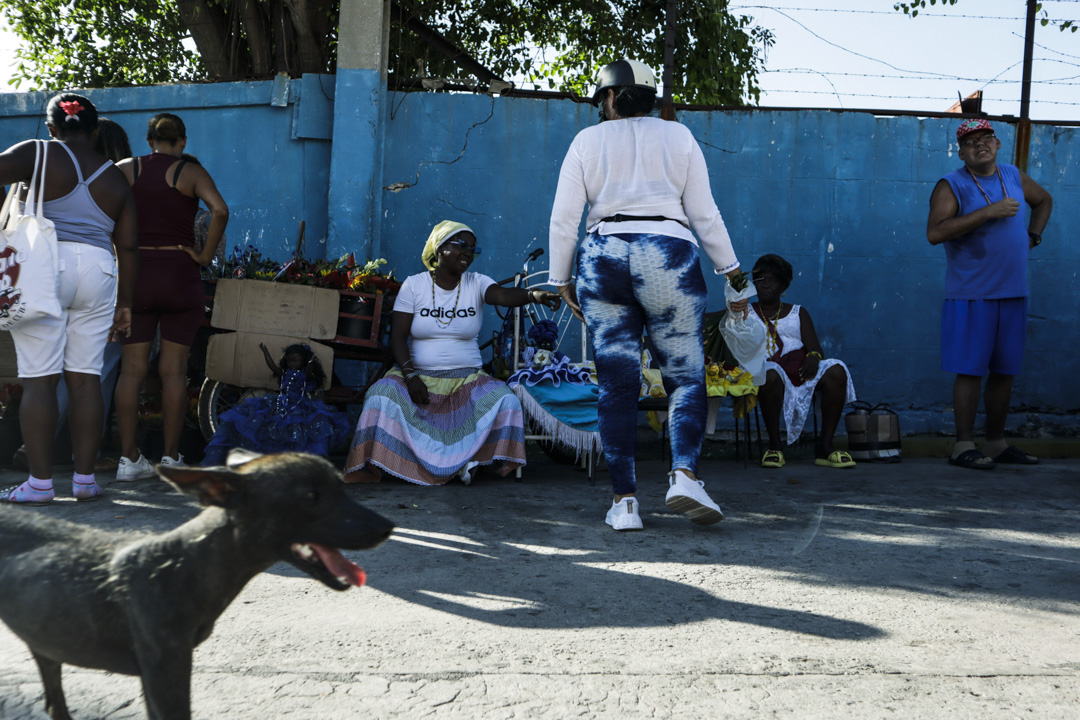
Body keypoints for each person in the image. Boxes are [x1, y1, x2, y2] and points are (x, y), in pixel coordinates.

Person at [548, 59, 747, 531]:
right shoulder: (677, 136)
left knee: (617, 384)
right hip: (668, 255)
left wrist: (560, 281)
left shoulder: (586, 142)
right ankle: (684, 476)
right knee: (685, 378)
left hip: (604, 258)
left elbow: (563, 219)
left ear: (611, 98)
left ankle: (625, 504)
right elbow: (705, 213)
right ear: (650, 99)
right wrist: (734, 275)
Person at [344, 220, 561, 486]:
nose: (468, 253)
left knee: (506, 400)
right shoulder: (414, 286)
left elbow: (502, 296)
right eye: (461, 245)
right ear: (438, 248)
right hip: (418, 376)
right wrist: (410, 377)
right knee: (380, 396)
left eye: (473, 248)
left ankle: (477, 460)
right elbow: (397, 338)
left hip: (467, 379)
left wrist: (532, 295)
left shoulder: (477, 283)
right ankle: (396, 463)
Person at [0, 94, 138, 504]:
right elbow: (128, 248)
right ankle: (84, 481)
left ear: (52, 128)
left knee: (40, 378)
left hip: (46, 265)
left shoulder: (37, 153)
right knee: (85, 378)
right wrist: (125, 304)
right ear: (95, 131)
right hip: (99, 270)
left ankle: (40, 485)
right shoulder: (116, 177)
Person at [926, 119, 1052, 470]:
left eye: (985, 139)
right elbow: (935, 233)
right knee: (969, 371)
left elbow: (1043, 201)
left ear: (997, 144)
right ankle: (962, 445)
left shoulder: (1012, 175)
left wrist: (1033, 236)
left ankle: (996, 443)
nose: (979, 145)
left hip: (1013, 291)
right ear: (961, 152)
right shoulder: (951, 184)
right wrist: (988, 212)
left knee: (1005, 371)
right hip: (971, 294)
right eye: (970, 142)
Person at [113, 112, 229, 479]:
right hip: (179, 274)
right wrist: (205, 255)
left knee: (131, 371)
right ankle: (170, 457)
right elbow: (220, 210)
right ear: (182, 142)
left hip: (135, 276)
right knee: (174, 372)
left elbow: (100, 211)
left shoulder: (124, 169)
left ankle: (129, 460)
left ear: (148, 141)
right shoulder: (189, 172)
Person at [745, 254, 857, 469]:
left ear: (783, 286)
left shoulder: (798, 312)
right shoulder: (746, 312)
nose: (766, 284)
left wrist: (813, 358)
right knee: (770, 374)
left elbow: (815, 348)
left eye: (772, 280)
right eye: (761, 279)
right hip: (767, 370)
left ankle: (825, 447)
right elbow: (715, 322)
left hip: (799, 368)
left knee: (836, 370)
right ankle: (775, 447)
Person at [202, 343, 350, 465]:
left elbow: (309, 375)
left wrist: (310, 364)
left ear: (303, 361)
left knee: (300, 432)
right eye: (290, 360)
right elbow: (273, 367)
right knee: (262, 422)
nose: (292, 363)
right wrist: (266, 352)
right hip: (282, 403)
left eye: (296, 360)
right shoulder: (286, 373)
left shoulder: (304, 374)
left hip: (299, 405)